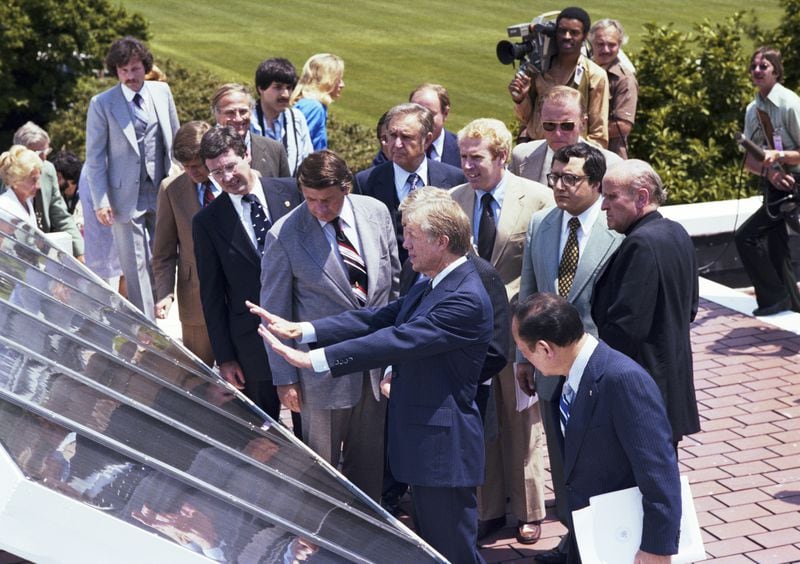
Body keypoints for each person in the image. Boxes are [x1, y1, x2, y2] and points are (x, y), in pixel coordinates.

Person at [254, 187, 492, 563]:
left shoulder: (463, 298)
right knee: (434, 546)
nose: (405, 244)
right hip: (425, 443)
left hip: (443, 450)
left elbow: (396, 340)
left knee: (453, 551)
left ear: (441, 241)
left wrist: (313, 361)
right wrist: (306, 331)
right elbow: (379, 317)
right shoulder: (436, 280)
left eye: (412, 236)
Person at [257, 150, 400, 500]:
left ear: (346, 187)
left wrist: (395, 354)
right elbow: (274, 311)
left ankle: (367, 531)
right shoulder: (284, 235)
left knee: (369, 465)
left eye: (328, 200)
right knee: (320, 471)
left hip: (375, 365)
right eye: (310, 200)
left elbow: (394, 285)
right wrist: (285, 379)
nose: (319, 208)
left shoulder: (376, 213)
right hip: (320, 374)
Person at [513, 292, 681, 564]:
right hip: (593, 531)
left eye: (525, 351)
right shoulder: (571, 377)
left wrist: (657, 547)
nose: (526, 360)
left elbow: (659, 471)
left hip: (625, 539)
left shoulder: (623, 380)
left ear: (545, 348)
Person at [449, 118, 554, 544]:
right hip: (473, 334)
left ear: (502, 156)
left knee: (522, 421)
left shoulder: (539, 199)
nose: (468, 166)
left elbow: (544, 267)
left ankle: (528, 509)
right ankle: (488, 508)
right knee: (482, 417)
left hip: (518, 331)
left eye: (477, 158)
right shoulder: (455, 199)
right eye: (463, 158)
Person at [516, 142, 622, 563]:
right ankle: (573, 539)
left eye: (570, 179)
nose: (559, 186)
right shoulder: (542, 222)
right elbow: (528, 291)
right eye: (554, 178)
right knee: (560, 462)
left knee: (598, 460)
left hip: (596, 368)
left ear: (596, 183)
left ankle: (599, 541)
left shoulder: (617, 230)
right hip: (546, 368)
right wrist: (524, 356)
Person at [192, 126, 302, 422]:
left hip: (302, 326)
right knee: (262, 432)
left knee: (310, 426)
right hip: (252, 344)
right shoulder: (207, 221)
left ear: (247, 155)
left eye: (230, 166)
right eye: (216, 173)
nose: (226, 177)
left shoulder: (292, 191)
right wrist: (225, 357)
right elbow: (212, 295)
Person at [592, 159, 700, 448]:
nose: (604, 206)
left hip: (642, 392)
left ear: (641, 197)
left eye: (612, 197)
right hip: (671, 386)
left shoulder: (639, 245)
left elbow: (626, 329)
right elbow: (690, 308)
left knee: (641, 484)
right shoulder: (676, 232)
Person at [85, 36, 180, 320]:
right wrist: (101, 200)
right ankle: (146, 325)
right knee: (135, 264)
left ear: (145, 67)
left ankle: (166, 305)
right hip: (124, 196)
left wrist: (178, 174)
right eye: (123, 70)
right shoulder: (102, 103)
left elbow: (175, 139)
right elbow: (95, 157)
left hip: (162, 189)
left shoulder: (162, 92)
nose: (130, 76)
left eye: (135, 69)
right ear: (116, 71)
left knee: (164, 253)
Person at [355, 103, 465, 262]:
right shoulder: (365, 182)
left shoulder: (454, 179)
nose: (397, 144)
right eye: (392, 135)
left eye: (406, 137)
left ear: (427, 140)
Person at [735, 46, 800, 315]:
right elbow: (750, 160)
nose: (758, 71)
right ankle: (786, 304)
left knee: (746, 236)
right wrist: (770, 173)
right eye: (754, 66)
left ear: (777, 71)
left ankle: (775, 298)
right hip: (776, 187)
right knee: (776, 248)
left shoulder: (790, 104)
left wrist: (780, 155)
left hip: (797, 185)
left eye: (764, 66)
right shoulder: (754, 109)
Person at [152, 121, 218, 366]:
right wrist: (165, 292)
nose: (193, 172)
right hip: (195, 298)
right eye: (185, 167)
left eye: (197, 165)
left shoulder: (234, 181)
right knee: (199, 375)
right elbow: (163, 251)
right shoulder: (171, 189)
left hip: (237, 298)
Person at [509, 7, 609, 148]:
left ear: (585, 36)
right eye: (562, 31)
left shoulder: (595, 75)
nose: (567, 36)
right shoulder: (538, 68)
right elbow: (525, 119)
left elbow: (599, 133)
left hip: (572, 154)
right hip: (536, 148)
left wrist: (583, 160)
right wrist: (520, 99)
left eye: (574, 33)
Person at [510, 86, 621, 185]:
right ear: (540, 121)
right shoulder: (520, 156)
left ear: (583, 123)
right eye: (550, 125)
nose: (558, 133)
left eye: (567, 126)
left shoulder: (609, 165)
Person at [10, 122, 84, 260]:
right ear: (21, 152)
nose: (44, 158)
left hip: (41, 250)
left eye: (46, 151)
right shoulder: (5, 176)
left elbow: (61, 215)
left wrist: (80, 252)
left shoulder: (48, 170)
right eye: (40, 153)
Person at [211, 83, 290, 178]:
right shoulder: (201, 151)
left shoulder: (275, 150)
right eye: (230, 112)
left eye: (243, 111)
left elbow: (286, 190)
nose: (238, 118)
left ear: (251, 111)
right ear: (216, 114)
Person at [251, 58, 313, 176]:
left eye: (289, 88)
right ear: (260, 88)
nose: (285, 94)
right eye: (278, 87)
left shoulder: (297, 118)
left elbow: (307, 159)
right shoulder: (247, 119)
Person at [589, 19, 638, 158]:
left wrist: (585, 134)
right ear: (591, 43)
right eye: (600, 44)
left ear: (619, 46)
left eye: (611, 45)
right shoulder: (584, 70)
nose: (605, 50)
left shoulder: (624, 79)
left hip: (610, 158)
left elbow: (623, 126)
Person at [291, 54, 345, 151]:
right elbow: (298, 147)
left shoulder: (312, 105)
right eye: (338, 80)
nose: (342, 85)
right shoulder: (314, 108)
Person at [0, 146, 43, 227]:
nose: (38, 186)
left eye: (38, 179)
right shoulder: (4, 208)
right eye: (33, 180)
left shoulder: (27, 202)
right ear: (16, 180)